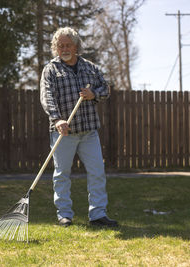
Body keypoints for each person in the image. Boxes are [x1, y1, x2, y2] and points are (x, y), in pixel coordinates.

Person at [40, 27, 118, 227]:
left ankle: (98, 214)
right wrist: (57, 119)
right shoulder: (50, 70)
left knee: (97, 172)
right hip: (63, 133)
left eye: (68, 45)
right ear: (56, 48)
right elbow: (47, 97)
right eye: (60, 45)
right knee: (62, 174)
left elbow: (105, 89)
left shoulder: (90, 68)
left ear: (76, 46)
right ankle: (64, 215)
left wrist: (94, 95)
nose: (64, 48)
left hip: (89, 131)